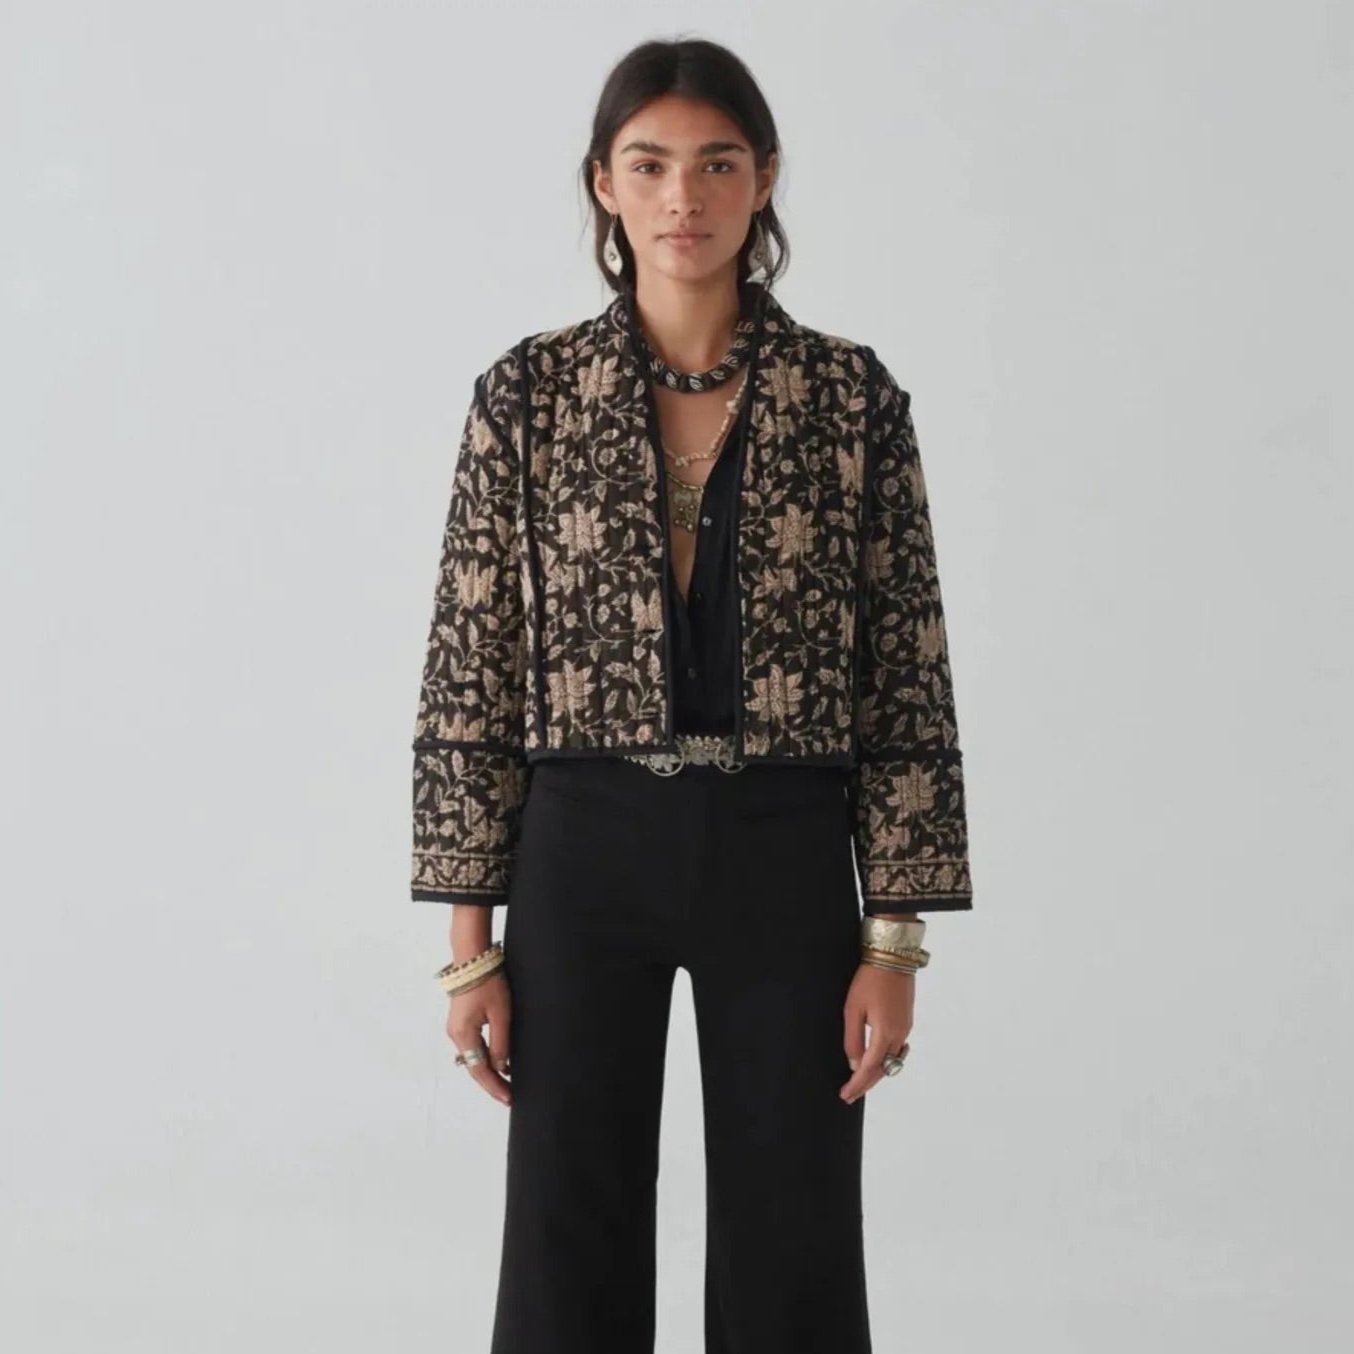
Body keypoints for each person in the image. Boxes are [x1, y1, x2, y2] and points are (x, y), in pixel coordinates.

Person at [411, 37, 974, 1354]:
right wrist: (470, 946)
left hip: (783, 842)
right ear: (603, 184)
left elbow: (903, 672)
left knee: (795, 1218)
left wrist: (893, 940)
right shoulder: (528, 396)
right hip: (581, 843)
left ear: (763, 179)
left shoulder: (849, 400)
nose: (684, 197)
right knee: (568, 1214)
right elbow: (469, 665)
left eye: (717, 164)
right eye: (650, 164)